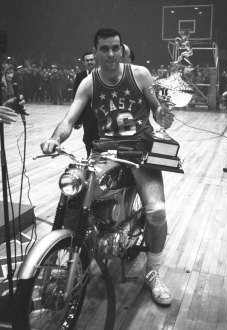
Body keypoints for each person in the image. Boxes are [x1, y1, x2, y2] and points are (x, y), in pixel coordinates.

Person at [41, 28, 174, 306]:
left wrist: (163, 115)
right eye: (105, 49)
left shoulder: (140, 75)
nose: (111, 53)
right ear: (95, 51)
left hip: (140, 149)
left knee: (157, 211)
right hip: (105, 150)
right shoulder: (89, 83)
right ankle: (67, 259)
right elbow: (68, 120)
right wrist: (54, 138)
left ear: (123, 49)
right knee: (75, 197)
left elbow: (159, 112)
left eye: (116, 47)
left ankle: (153, 271)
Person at [72, 52, 99, 157]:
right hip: (87, 114)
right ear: (83, 62)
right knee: (88, 139)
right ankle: (89, 159)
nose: (90, 62)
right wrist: (77, 120)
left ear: (95, 60)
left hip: (101, 114)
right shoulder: (79, 76)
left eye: (91, 59)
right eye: (87, 60)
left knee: (100, 140)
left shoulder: (101, 74)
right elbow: (75, 97)